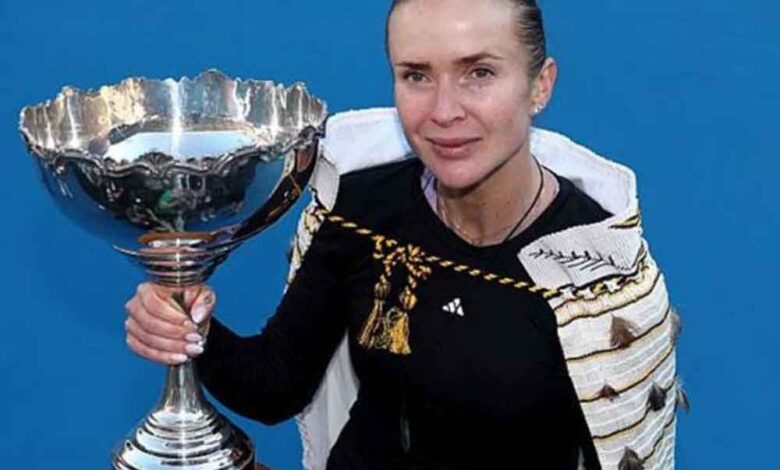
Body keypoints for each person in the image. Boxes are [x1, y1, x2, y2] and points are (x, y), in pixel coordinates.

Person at [124, 1, 683, 468]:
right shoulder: (361, 207)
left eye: (479, 73)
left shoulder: (600, 270)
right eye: (417, 75)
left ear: (540, 85)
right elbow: (274, 386)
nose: (444, 111)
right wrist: (187, 324)